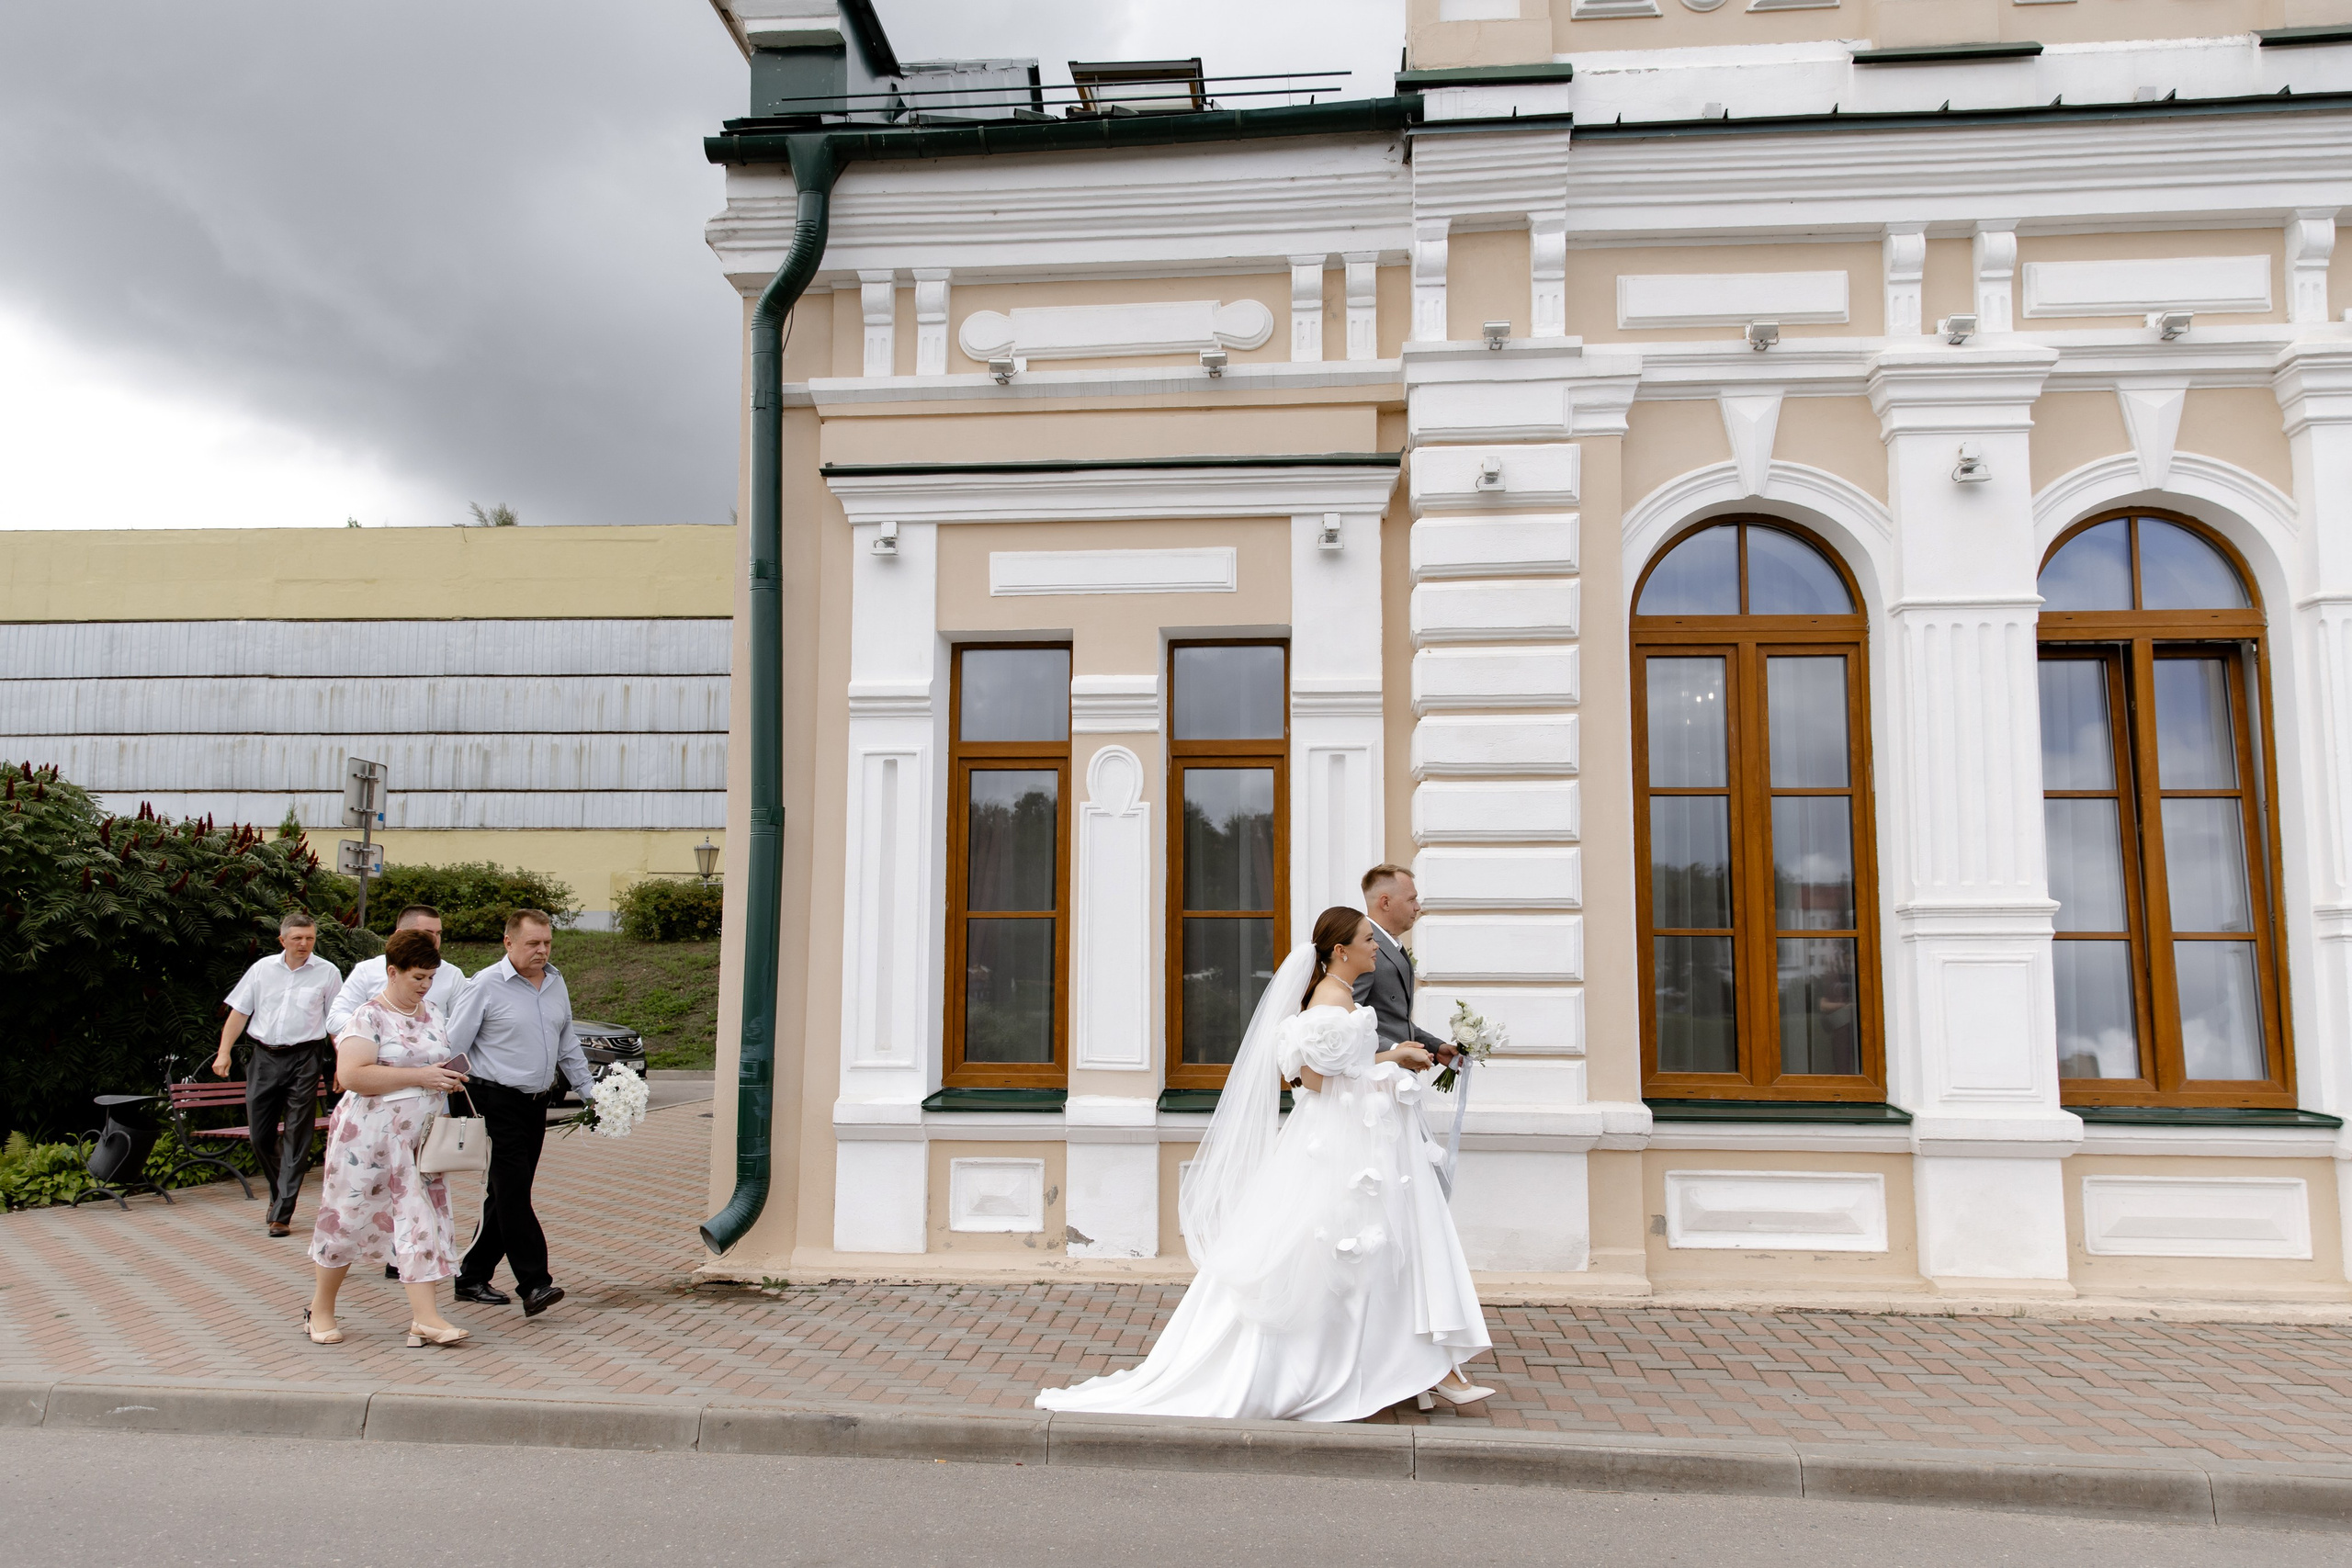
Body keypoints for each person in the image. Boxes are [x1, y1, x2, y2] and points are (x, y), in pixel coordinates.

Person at [1036, 906, 1493, 1420]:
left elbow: (1333, 1068)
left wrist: (1393, 1056)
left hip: (1352, 1137)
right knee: (1342, 1247)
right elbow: (1316, 1080)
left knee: (1376, 1248)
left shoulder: (1335, 997)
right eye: (1368, 940)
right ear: (1341, 951)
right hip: (1340, 1141)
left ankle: (1415, 1370)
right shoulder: (1331, 1000)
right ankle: (1393, 1369)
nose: (1376, 948)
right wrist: (1392, 1065)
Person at [301, 927, 470, 1348]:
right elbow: (352, 1075)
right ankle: (320, 1310)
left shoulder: (432, 1013)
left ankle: (425, 1318)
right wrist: (421, 1076)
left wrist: (446, 1079)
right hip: (367, 1141)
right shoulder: (368, 1015)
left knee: (422, 1222)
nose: (425, 986)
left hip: (419, 1143)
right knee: (346, 1219)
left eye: (431, 978)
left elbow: (434, 1063)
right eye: (417, 978)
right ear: (392, 972)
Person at [441, 908, 594, 1316]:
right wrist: (441, 1099)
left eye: (546, 942)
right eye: (533, 943)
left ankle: (471, 1276)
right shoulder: (484, 986)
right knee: (512, 1193)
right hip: (494, 1102)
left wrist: (589, 1092)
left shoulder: (556, 983)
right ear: (508, 943)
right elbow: (452, 1047)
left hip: (535, 1104)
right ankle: (535, 1283)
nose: (542, 950)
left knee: (506, 1193)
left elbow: (567, 1045)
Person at [213, 911, 343, 1237]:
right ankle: (279, 1192)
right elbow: (240, 1011)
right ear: (282, 940)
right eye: (297, 938)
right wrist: (224, 1051)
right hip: (265, 1057)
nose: (304, 944)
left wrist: (342, 1063)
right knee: (260, 1135)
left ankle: (282, 1214)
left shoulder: (327, 972)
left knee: (298, 1135)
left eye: (310, 938)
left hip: (306, 1058)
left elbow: (337, 1024)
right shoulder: (262, 970)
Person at [1353, 864, 1455, 1066]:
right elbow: (1348, 1021)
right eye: (1411, 899)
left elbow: (1393, 1019)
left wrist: (1435, 1046)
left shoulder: (1389, 945)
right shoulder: (1363, 948)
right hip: (1377, 1076)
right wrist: (1396, 1051)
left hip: (1395, 1072)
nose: (1417, 907)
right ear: (1385, 902)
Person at [326, 904, 467, 1041]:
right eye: (427, 933)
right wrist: (384, 1025)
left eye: (439, 933)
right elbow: (334, 1020)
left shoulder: (452, 975)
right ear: (400, 934)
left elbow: (463, 1024)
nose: (435, 940)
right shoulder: (367, 970)